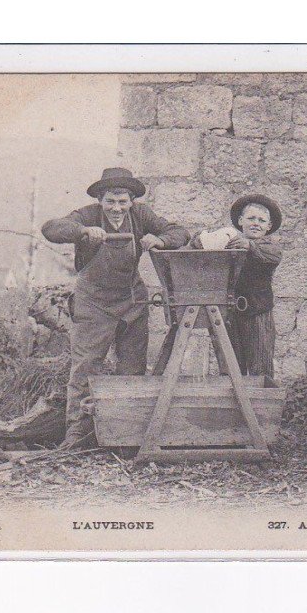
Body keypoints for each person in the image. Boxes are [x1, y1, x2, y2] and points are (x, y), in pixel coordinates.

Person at [42, 167, 190, 448]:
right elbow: (51, 228)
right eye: (110, 201)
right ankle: (78, 433)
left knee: (133, 368)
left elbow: (179, 232)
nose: (116, 208)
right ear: (100, 200)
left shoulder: (141, 215)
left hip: (132, 302)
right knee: (86, 366)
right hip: (93, 303)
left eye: (123, 202)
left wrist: (160, 240)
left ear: (132, 201)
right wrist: (83, 231)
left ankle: (126, 434)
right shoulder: (87, 215)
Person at [190, 194, 283, 379]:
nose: (256, 223)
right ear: (241, 221)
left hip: (258, 314)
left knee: (260, 368)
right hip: (229, 314)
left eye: (262, 220)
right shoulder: (230, 241)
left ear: (269, 226)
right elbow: (201, 243)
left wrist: (249, 246)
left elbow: (273, 255)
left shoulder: (269, 246)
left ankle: (260, 398)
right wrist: (202, 240)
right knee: (230, 368)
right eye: (251, 218)